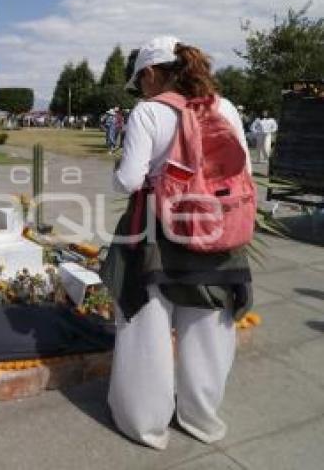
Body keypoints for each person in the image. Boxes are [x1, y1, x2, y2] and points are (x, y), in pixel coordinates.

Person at [106, 36, 252, 450]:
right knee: (209, 329)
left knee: (147, 329)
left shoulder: (148, 111)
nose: (142, 92)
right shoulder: (225, 107)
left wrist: (116, 173)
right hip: (219, 232)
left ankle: (145, 424)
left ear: (150, 74)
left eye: (140, 83)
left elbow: (130, 180)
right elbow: (239, 166)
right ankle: (201, 418)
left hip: (159, 234)